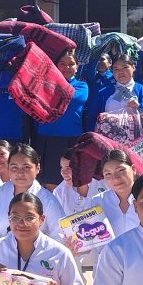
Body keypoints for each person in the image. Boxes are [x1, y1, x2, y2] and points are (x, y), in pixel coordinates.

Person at [0, 145, 64, 255]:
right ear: (8, 168)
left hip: (36, 258)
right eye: (14, 167)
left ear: (37, 168)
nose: (20, 173)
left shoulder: (49, 200)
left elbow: (59, 236)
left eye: (26, 167)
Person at [34, 51, 88, 190]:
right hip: (48, 137)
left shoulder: (82, 86)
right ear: (55, 66)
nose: (67, 67)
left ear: (77, 67)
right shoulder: (43, 82)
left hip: (71, 138)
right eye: (62, 64)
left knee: (73, 180)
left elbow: (69, 98)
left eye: (71, 64)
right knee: (50, 182)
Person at [86, 53, 143, 132]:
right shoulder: (103, 93)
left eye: (125, 67)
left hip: (138, 143)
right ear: (112, 70)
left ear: (133, 67)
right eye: (116, 69)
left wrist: (141, 106)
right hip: (110, 144)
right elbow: (92, 118)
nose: (121, 72)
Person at [52, 150, 103, 217]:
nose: (63, 173)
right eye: (62, 168)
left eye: (68, 168)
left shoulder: (102, 183)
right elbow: (57, 222)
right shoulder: (59, 192)